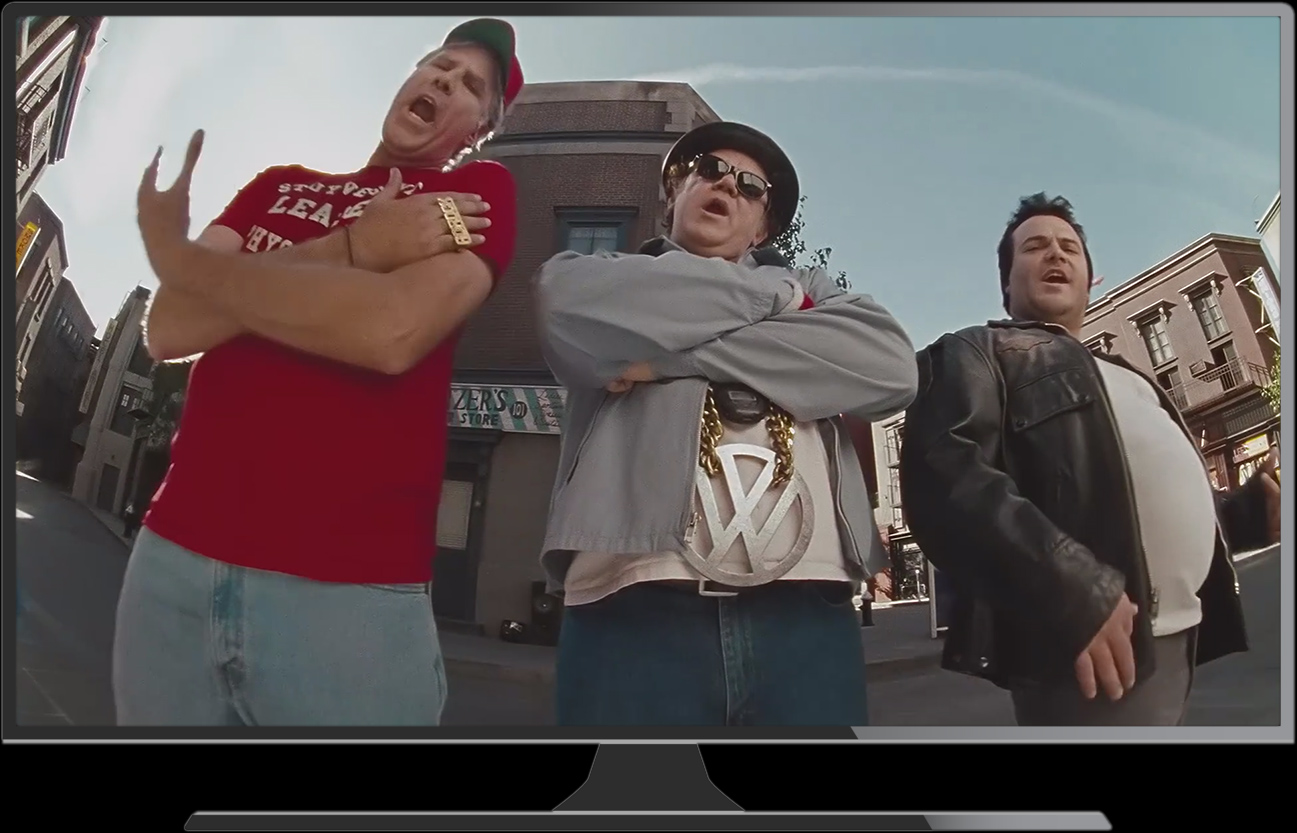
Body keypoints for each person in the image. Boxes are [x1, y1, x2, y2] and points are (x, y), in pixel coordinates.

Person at [115, 19, 525, 726]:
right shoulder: (278, 187)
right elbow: (172, 324)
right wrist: (351, 250)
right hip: (172, 561)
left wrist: (239, 294)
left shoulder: (473, 193)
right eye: (437, 63)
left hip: (346, 599)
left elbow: (391, 332)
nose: (443, 79)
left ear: (477, 130)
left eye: (469, 85)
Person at [532, 120, 919, 726]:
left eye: (751, 186)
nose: (728, 186)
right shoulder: (606, 277)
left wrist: (661, 359)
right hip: (629, 608)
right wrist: (779, 305)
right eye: (709, 170)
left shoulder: (816, 288)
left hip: (808, 617)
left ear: (762, 228)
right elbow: (560, 306)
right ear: (674, 195)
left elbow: (891, 367)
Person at [898, 192, 1282, 726]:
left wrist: (1248, 512)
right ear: (1007, 283)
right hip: (1084, 646)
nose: (1055, 253)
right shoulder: (976, 352)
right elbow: (945, 479)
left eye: (1069, 247)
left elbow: (1132, 502)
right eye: (1035, 246)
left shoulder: (1130, 375)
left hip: (1179, 640)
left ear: (1089, 279)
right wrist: (1071, 589)